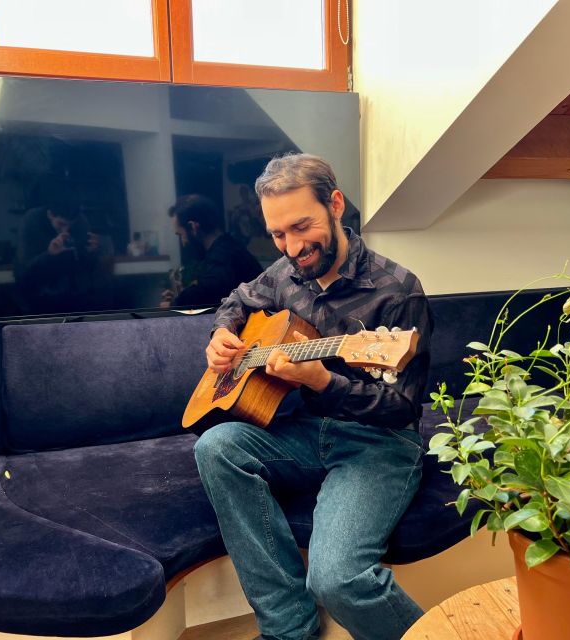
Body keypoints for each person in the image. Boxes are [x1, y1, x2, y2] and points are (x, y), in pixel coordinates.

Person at [193, 154, 433, 640]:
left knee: (337, 579)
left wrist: (321, 380)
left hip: (378, 444)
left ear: (335, 204)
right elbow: (237, 301)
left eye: (302, 227)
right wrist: (222, 332)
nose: (293, 246)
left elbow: (404, 408)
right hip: (304, 431)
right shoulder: (284, 273)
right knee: (216, 447)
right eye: (278, 234)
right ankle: (288, 627)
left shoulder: (397, 291)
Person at [161, 195, 263, 308]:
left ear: (193, 227)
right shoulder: (228, 247)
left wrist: (174, 304)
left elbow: (209, 289)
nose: (183, 242)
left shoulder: (223, 255)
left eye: (181, 235)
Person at [14, 198, 112, 314]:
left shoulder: (79, 219)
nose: (65, 230)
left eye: (70, 225)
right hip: (39, 299)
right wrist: (49, 255)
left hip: (76, 298)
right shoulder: (31, 221)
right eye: (61, 224)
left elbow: (87, 268)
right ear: (50, 214)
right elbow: (23, 273)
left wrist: (92, 251)